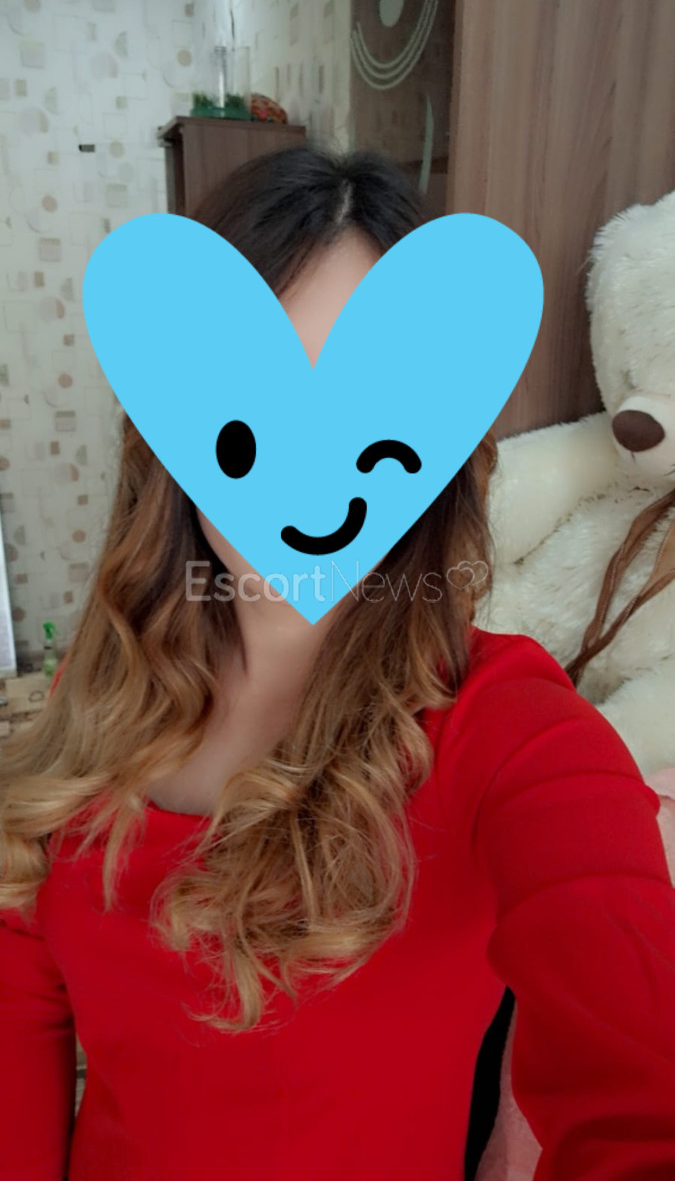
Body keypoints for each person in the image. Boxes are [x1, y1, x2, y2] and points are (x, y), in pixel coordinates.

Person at [1, 144, 674, 1181]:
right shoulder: (84, 715)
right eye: (258, 419)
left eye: (365, 420)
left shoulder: (503, 729)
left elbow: (640, 1075)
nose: (310, 487)